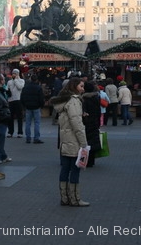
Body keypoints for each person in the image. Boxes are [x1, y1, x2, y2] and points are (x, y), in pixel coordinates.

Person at [51, 77, 90, 207]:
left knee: (65, 168)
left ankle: (65, 198)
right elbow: (76, 124)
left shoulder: (62, 101)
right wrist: (84, 143)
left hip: (64, 140)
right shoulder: (73, 101)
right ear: (74, 87)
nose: (83, 89)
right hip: (73, 140)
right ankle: (75, 199)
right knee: (75, 169)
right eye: (81, 86)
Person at [20, 74, 45, 144]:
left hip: (28, 106)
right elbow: (41, 98)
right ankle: (36, 138)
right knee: (37, 123)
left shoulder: (26, 87)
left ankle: (28, 137)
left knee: (28, 123)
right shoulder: (38, 88)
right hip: (36, 107)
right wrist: (41, 105)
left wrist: (24, 105)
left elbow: (22, 97)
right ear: (36, 80)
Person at [81, 82, 102, 168]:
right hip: (94, 121)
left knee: (85, 141)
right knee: (93, 141)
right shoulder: (96, 97)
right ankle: (91, 160)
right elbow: (98, 111)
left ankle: (84, 159)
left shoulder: (83, 99)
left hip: (86, 122)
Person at [6, 69, 25, 138]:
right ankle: (10, 131)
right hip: (11, 100)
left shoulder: (21, 81)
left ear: (18, 74)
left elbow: (20, 87)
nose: (13, 74)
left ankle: (20, 132)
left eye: (15, 73)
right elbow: (7, 89)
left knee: (19, 117)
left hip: (18, 100)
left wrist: (16, 80)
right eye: (13, 73)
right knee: (10, 117)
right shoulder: (9, 82)